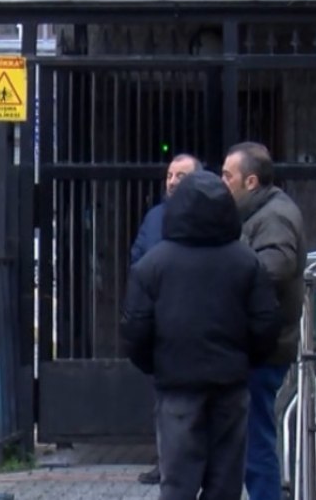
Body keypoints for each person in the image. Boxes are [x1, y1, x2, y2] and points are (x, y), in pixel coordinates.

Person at [121, 170, 280, 500]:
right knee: (225, 484)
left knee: (177, 482)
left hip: (177, 386)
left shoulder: (152, 265)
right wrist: (244, 360)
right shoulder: (246, 262)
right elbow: (266, 324)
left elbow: (135, 329)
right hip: (230, 385)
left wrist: (159, 365)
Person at [222, 142, 305, 500]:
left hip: (265, 346)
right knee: (251, 438)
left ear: (250, 181)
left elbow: (277, 265)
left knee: (257, 442)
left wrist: (230, 273)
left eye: (228, 176)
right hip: (259, 342)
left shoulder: (274, 217)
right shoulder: (259, 212)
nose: (221, 182)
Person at [132, 153, 201, 486]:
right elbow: (138, 260)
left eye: (181, 175)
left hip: (201, 322)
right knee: (165, 402)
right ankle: (166, 463)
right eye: (170, 175)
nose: (173, 181)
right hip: (164, 321)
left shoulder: (213, 216)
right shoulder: (154, 217)